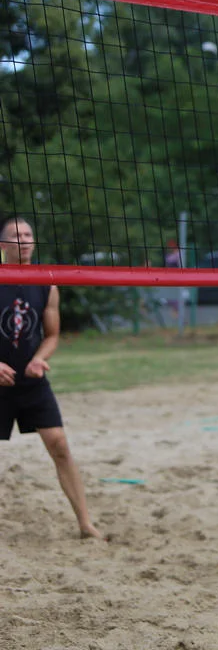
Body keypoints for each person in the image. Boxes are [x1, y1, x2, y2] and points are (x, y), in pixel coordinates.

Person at [0, 216, 105, 540]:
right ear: (2, 245)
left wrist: (39, 360)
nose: (24, 239)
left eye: (29, 233)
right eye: (16, 235)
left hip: (31, 381)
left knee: (59, 445)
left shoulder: (47, 281)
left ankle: (86, 524)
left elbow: (52, 335)